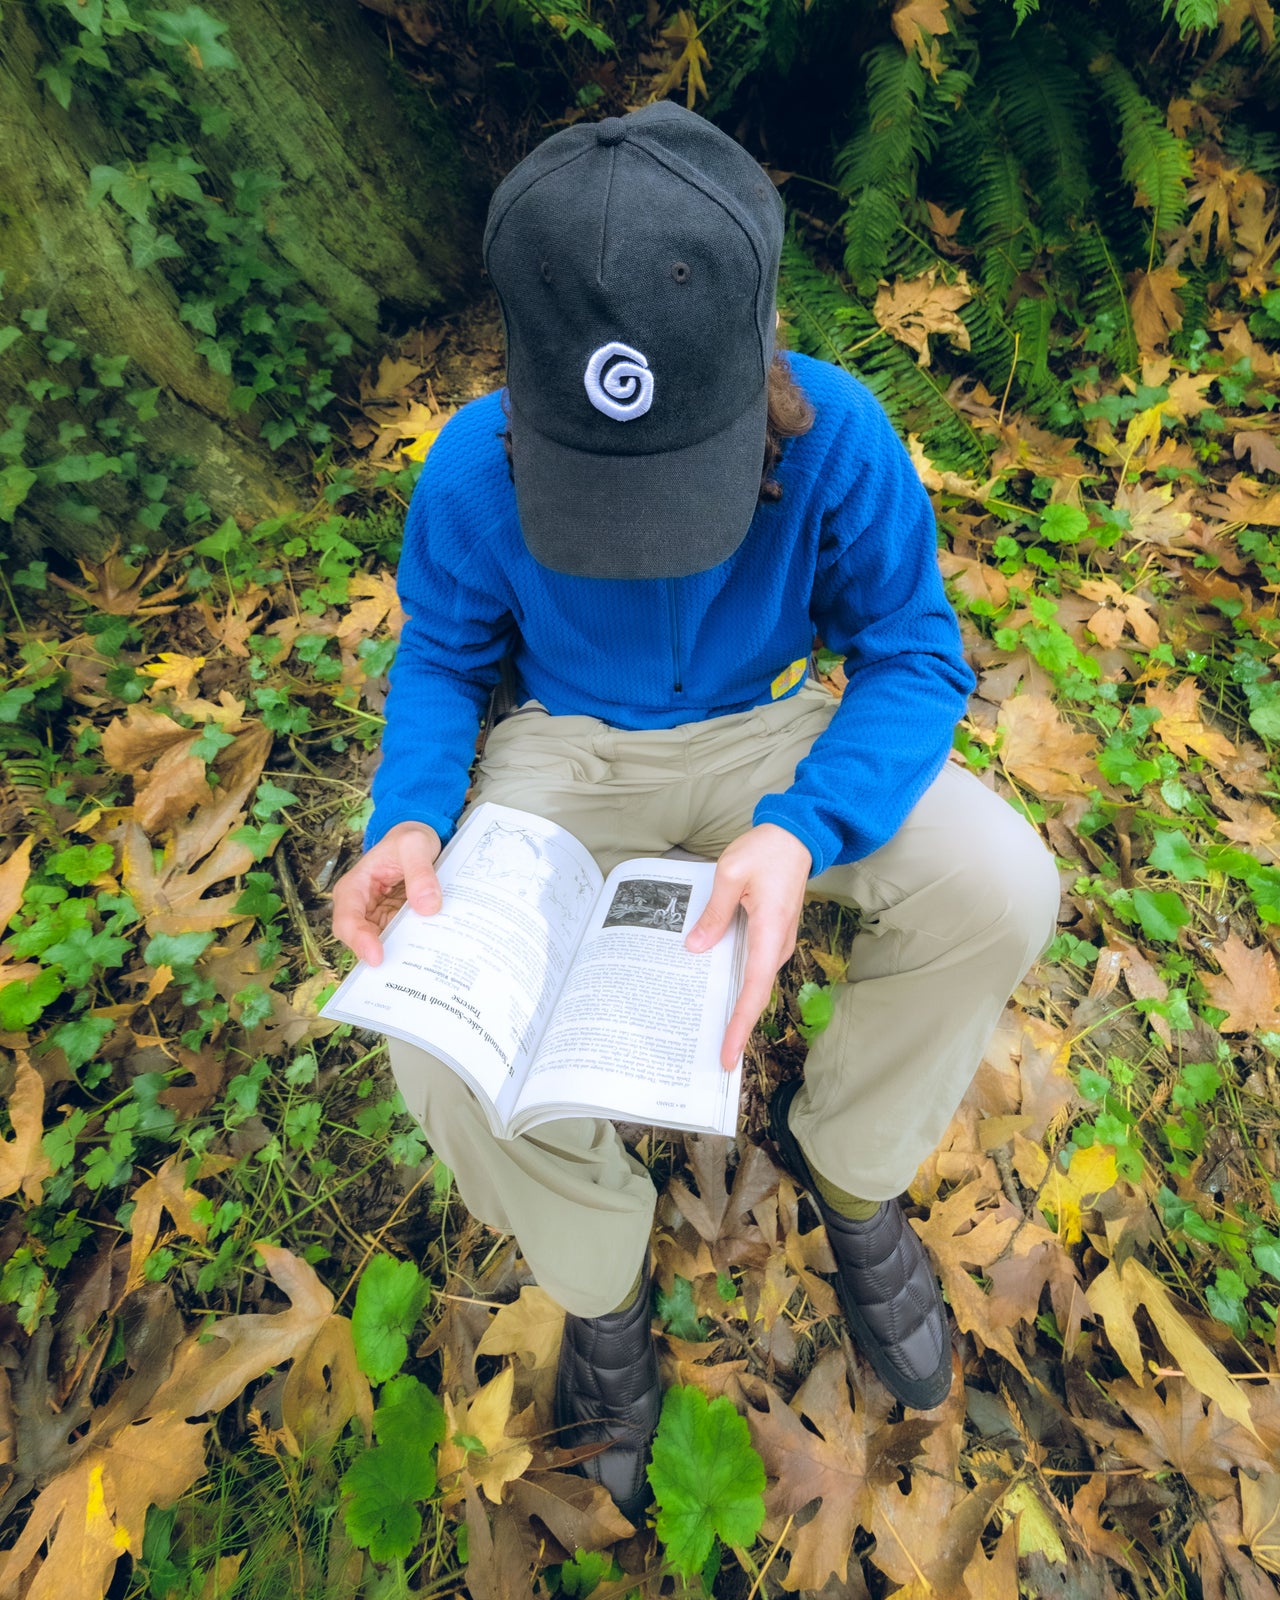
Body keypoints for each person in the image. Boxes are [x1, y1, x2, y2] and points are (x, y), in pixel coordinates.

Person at [330, 101, 1061, 1525]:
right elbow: (440, 654)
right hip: (562, 758)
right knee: (429, 1035)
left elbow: (914, 651)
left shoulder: (838, 434)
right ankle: (599, 1277)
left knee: (1001, 881)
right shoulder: (475, 470)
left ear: (759, 341)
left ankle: (850, 1165)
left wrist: (803, 823)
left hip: (773, 725)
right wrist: (412, 813)